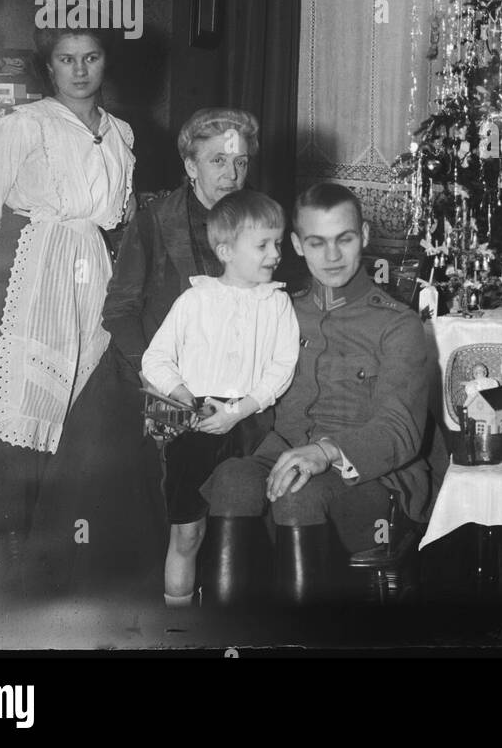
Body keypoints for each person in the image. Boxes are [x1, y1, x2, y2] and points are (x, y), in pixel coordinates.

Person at [0, 26, 135, 596]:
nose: (79, 69)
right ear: (49, 67)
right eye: (66, 59)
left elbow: (121, 218)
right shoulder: (23, 124)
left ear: (106, 63)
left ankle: (64, 545)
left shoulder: (121, 132)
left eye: (91, 57)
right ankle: (13, 546)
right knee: (32, 399)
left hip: (95, 272)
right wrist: (8, 274)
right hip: (35, 271)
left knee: (87, 398)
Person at [202, 182, 443, 606]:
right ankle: (224, 639)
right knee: (231, 479)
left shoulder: (398, 324)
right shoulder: (280, 310)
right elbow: (235, 384)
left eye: (344, 240)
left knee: (299, 491)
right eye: (317, 243)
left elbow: (400, 430)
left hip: (374, 481)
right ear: (296, 244)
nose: (331, 256)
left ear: (364, 236)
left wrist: (326, 452)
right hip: (280, 456)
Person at [87, 107, 264, 595]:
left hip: (239, 394)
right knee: (182, 524)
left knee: (235, 519)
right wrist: (160, 380)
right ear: (190, 165)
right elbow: (119, 311)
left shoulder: (260, 220)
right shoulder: (153, 222)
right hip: (163, 392)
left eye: (242, 162)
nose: (232, 174)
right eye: (218, 161)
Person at [140, 190, 299, 607]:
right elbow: (155, 359)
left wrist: (238, 411)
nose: (275, 253)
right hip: (193, 421)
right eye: (262, 244)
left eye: (278, 243)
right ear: (226, 251)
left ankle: (231, 620)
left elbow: (281, 369)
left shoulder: (278, 304)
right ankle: (176, 625)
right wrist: (186, 400)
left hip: (248, 422)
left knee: (239, 528)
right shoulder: (195, 300)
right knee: (187, 532)